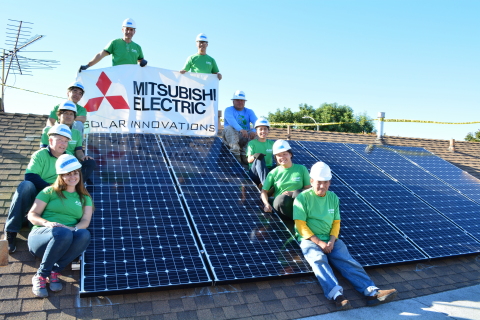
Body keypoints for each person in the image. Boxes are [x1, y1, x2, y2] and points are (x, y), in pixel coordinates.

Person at [293, 162, 397, 310]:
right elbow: (300, 225)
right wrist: (319, 243)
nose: (322, 186)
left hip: (330, 238)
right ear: (311, 181)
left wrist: (331, 240)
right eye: (318, 183)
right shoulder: (302, 198)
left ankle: (371, 292)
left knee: (346, 260)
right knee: (318, 259)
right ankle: (337, 295)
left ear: (330, 182)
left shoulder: (333, 197)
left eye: (326, 182)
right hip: (309, 239)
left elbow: (336, 223)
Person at [28, 154, 93, 298]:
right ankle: (40, 275)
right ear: (61, 176)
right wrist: (47, 223)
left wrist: (72, 229)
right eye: (68, 174)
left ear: (79, 174)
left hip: (66, 240)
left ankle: (55, 271)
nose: (72, 177)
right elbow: (32, 214)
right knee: (62, 233)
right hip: (42, 237)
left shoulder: (85, 197)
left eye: (75, 173)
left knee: (84, 234)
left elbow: (85, 221)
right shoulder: (49, 191)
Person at [3, 125, 73, 254]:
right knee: (25, 186)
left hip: (56, 198)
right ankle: (11, 232)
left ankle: (30, 222)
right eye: (60, 140)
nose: (63, 144)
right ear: (51, 140)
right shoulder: (39, 155)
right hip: (39, 194)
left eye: (66, 141)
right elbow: (30, 176)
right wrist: (52, 189)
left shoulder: (69, 157)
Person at [42, 101, 96, 182]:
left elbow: (78, 150)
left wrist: (82, 157)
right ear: (59, 116)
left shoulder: (76, 133)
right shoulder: (48, 130)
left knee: (90, 162)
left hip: (71, 163)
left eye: (71, 114)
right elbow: (43, 151)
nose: (69, 116)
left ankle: (76, 187)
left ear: (74, 117)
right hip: (52, 162)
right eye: (66, 113)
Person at [261, 140, 310, 219]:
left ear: (290, 154)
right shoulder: (273, 173)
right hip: (282, 206)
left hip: (299, 204)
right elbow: (264, 191)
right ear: (275, 157)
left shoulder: (302, 169)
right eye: (279, 155)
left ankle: (300, 218)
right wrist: (266, 204)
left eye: (285, 154)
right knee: (282, 198)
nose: (282, 157)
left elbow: (308, 189)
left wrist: (292, 193)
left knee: (298, 193)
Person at [79, 18, 147, 71]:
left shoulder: (138, 47)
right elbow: (100, 55)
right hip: (117, 77)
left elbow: (141, 62)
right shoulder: (115, 43)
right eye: (127, 29)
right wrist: (88, 65)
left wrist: (144, 63)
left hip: (131, 78)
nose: (129, 31)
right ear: (122, 30)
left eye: (131, 29)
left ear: (134, 32)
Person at [223, 90, 258, 165]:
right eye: (237, 100)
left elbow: (257, 122)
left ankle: (245, 154)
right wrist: (241, 129)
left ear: (244, 102)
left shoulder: (249, 111)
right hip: (230, 137)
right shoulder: (228, 110)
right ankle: (236, 155)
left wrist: (254, 131)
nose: (240, 102)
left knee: (259, 132)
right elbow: (232, 121)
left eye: (242, 100)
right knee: (229, 128)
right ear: (233, 101)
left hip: (244, 136)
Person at [247, 118, 275, 187]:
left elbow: (278, 158)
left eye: (265, 129)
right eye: (260, 129)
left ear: (268, 131)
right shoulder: (252, 143)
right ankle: (266, 186)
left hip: (268, 170)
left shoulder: (272, 143)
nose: (263, 131)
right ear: (256, 131)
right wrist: (255, 156)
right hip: (255, 173)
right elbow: (249, 160)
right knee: (259, 158)